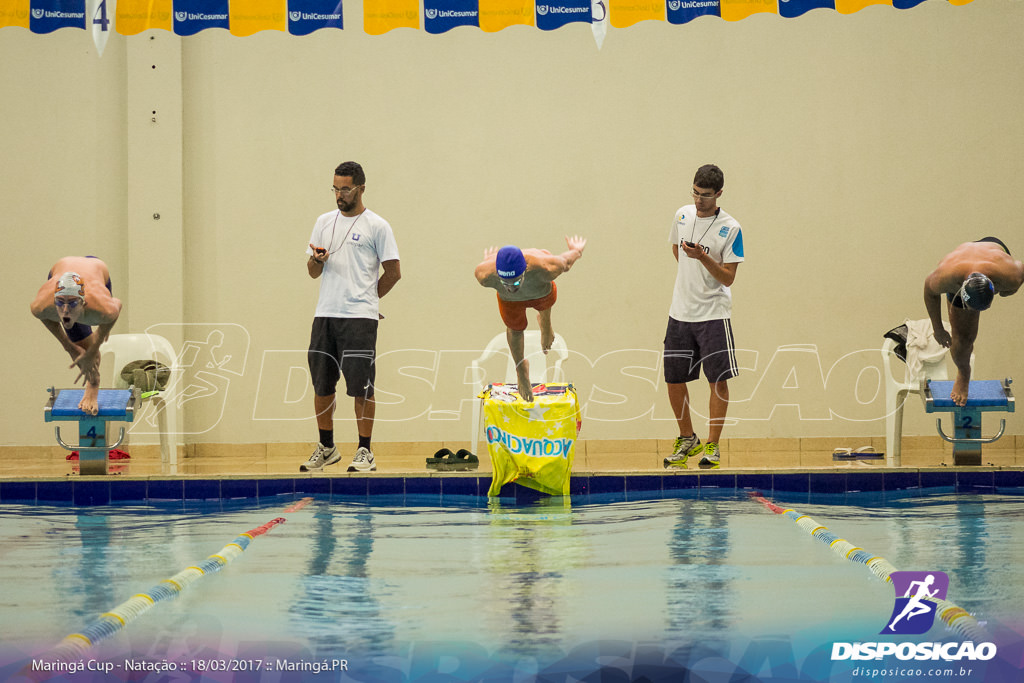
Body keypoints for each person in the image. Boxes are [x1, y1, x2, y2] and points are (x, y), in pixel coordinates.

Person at [301, 161, 401, 473]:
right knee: (321, 385)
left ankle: (364, 451)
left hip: (359, 318)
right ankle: (327, 447)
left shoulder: (377, 226)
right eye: (335, 188)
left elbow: (394, 272)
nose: (339, 194)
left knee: (361, 386)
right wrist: (317, 261)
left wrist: (369, 300)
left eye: (345, 188)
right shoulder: (323, 222)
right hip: (325, 315)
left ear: (360, 188)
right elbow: (312, 271)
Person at [663, 164, 744, 470]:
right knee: (674, 378)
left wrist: (703, 258)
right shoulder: (682, 215)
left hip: (713, 313)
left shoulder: (731, 228)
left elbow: (728, 277)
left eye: (706, 196)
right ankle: (687, 438)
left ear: (719, 194)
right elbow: (676, 249)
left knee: (717, 380)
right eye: (695, 193)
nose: (699, 200)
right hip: (680, 311)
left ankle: (712, 446)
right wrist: (690, 273)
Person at [474, 236, 586, 403]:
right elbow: (490, 271)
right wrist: (490, 260)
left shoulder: (546, 266)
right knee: (515, 328)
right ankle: (521, 370)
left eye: (516, 283)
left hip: (540, 293)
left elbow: (566, 262)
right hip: (510, 304)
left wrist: (576, 250)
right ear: (497, 273)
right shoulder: (485, 275)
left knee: (546, 300)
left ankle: (545, 323)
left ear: (525, 269)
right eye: (506, 283)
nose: (512, 289)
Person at [923, 238, 1023, 406]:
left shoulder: (1010, 275)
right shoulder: (947, 277)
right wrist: (938, 328)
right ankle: (963, 372)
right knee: (962, 340)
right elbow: (928, 291)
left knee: (1011, 287)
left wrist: (1010, 291)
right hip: (961, 265)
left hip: (994, 251)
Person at [30, 256, 122, 416]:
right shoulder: (42, 306)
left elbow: (117, 305)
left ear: (83, 303)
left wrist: (95, 347)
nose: (65, 310)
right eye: (60, 303)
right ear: (54, 300)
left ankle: (93, 385)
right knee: (81, 350)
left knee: (97, 335)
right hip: (61, 267)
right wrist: (69, 347)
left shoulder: (102, 307)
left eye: (72, 303)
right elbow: (45, 318)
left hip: (98, 271)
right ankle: (93, 378)